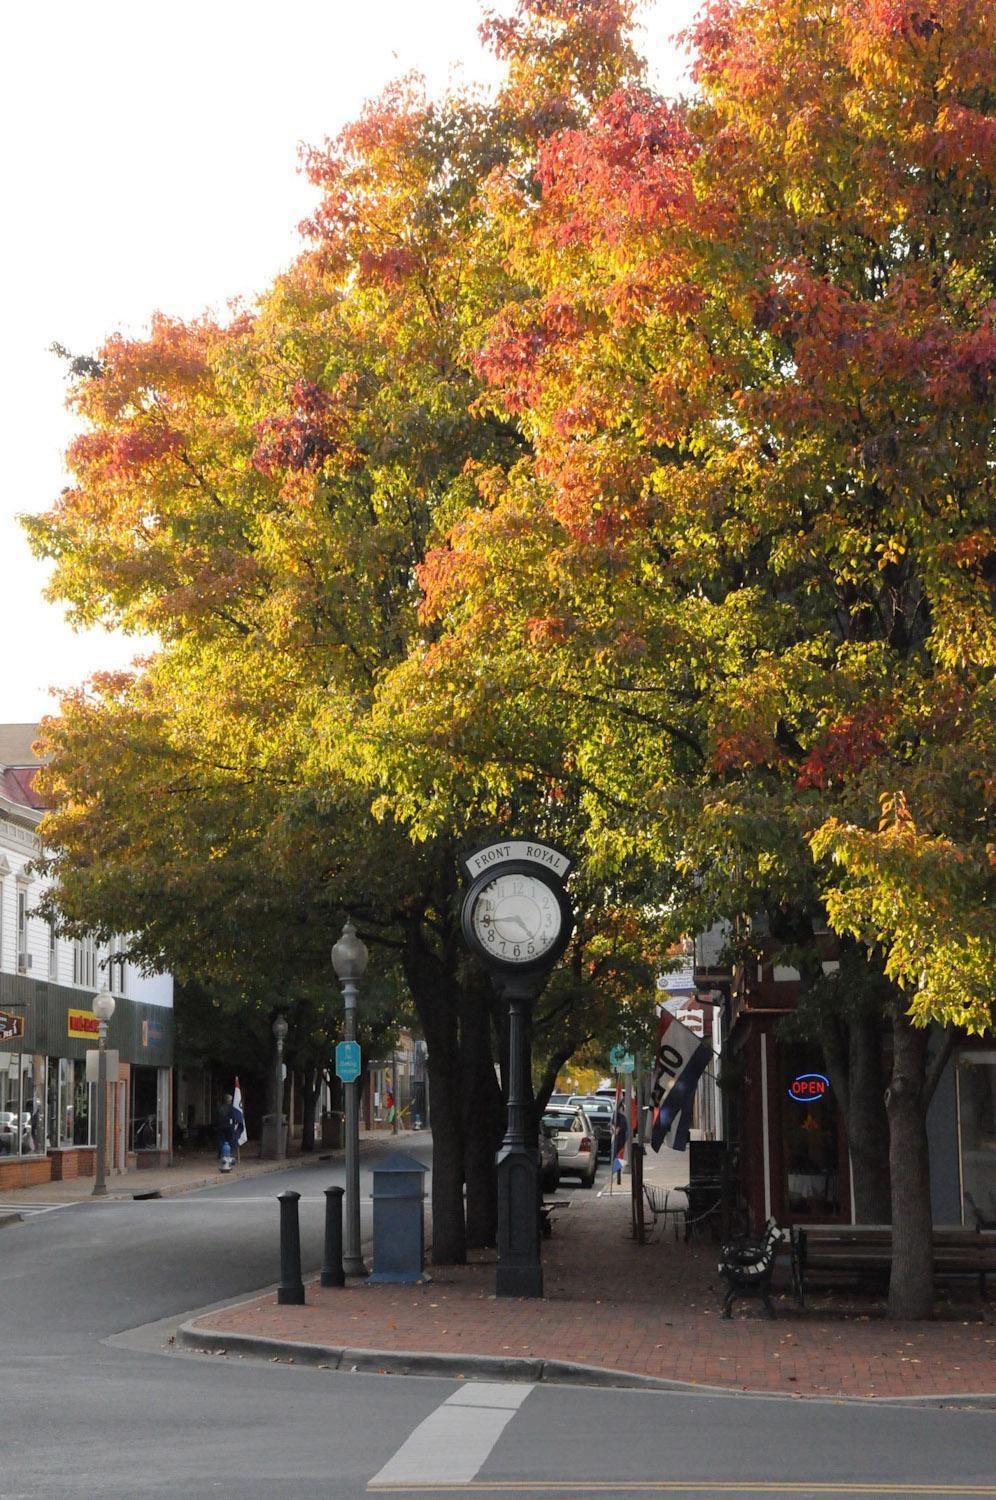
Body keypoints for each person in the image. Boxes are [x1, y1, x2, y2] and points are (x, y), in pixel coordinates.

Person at [214, 1094, 238, 1162]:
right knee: (230, 1141)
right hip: (228, 1126)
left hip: (220, 1126)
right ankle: (228, 1154)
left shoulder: (220, 1107)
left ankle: (220, 1154)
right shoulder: (231, 1108)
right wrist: (234, 1124)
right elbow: (232, 1117)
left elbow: (216, 1117)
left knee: (221, 1140)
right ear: (230, 1100)